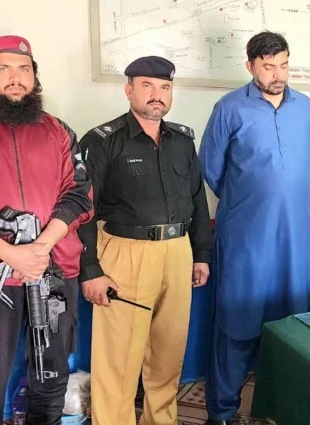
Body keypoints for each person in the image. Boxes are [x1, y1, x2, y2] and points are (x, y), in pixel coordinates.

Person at [78, 56, 212, 425]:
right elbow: (82, 210)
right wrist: (90, 270)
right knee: (118, 358)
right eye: (147, 86)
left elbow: (197, 199)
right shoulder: (102, 141)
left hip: (177, 252)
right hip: (125, 253)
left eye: (165, 87)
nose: (157, 94)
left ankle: (161, 420)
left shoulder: (182, 141)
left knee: (168, 352)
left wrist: (201, 253)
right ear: (129, 91)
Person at [0, 35, 93, 425]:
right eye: (4, 68)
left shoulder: (58, 130)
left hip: (54, 271)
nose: (16, 78)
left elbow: (79, 194)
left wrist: (39, 249)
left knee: (51, 375)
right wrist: (12, 255)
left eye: (25, 69)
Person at [199, 31, 310, 425]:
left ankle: (279, 409)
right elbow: (211, 169)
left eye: (284, 65)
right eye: (268, 67)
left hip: (296, 238)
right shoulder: (229, 108)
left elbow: (303, 166)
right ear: (251, 66)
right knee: (236, 323)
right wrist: (250, 200)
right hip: (246, 237)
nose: (278, 74)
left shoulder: (306, 109)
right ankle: (222, 413)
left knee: (293, 326)